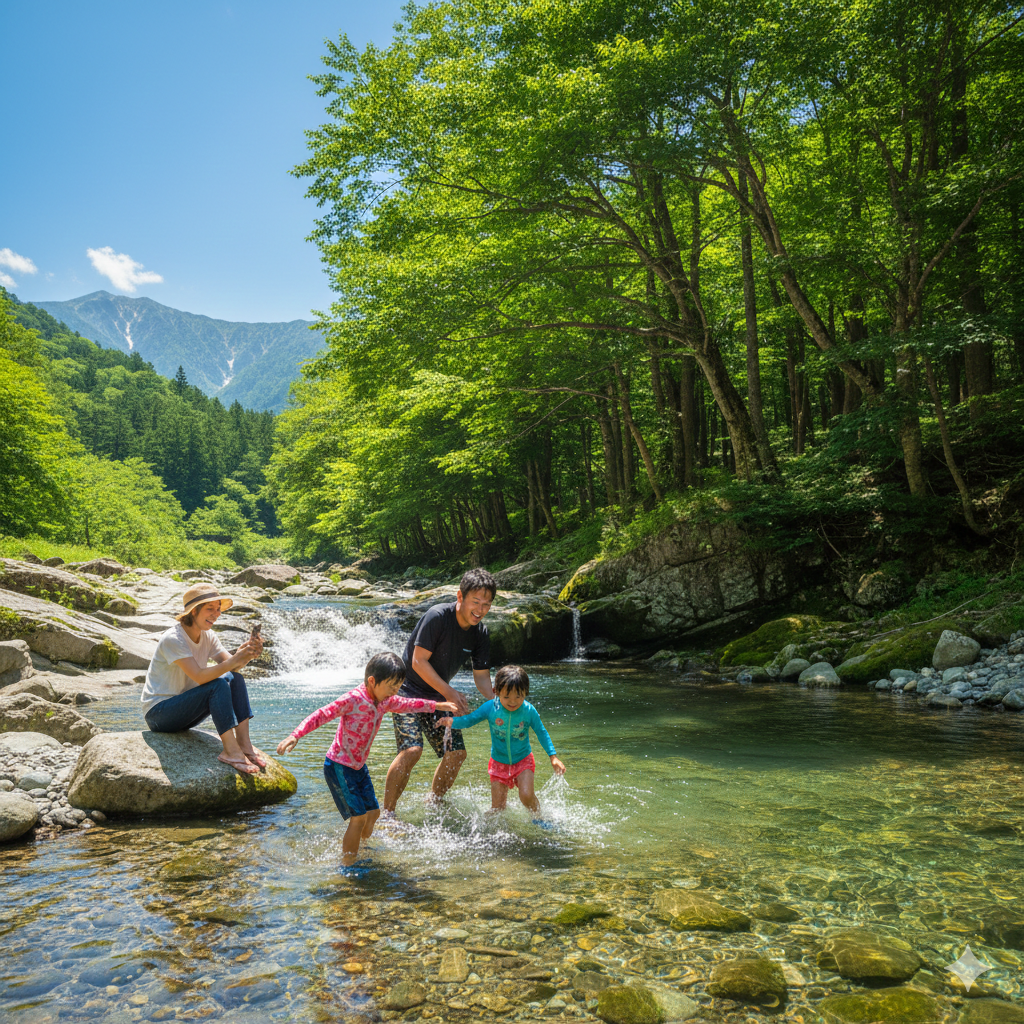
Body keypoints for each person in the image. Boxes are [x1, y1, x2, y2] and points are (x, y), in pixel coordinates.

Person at [276, 651, 457, 865]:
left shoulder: (384, 701)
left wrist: (438, 705)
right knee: (358, 818)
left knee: (373, 814)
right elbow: (321, 714)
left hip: (358, 767)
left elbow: (410, 704)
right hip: (339, 765)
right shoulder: (353, 699)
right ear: (372, 681)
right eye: (391, 686)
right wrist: (295, 735)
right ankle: (348, 865)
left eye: (397, 687)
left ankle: (357, 847)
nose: (394, 692)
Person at [382, 568, 497, 817]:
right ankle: (388, 815)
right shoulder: (437, 616)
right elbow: (418, 661)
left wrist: (501, 703)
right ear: (460, 596)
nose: (480, 609)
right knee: (412, 750)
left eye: (486, 604)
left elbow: (481, 678)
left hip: (437, 696)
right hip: (407, 692)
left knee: (456, 754)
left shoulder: (481, 634)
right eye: (475, 602)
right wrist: (451, 693)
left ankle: (433, 802)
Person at [141, 584, 266, 775]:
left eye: (218, 609)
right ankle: (231, 751)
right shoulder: (173, 639)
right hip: (159, 714)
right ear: (193, 611)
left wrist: (247, 654)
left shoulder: (208, 635)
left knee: (235, 678)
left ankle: (243, 744)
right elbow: (199, 676)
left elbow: (231, 667)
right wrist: (235, 659)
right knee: (217, 685)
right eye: (210, 609)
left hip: (184, 710)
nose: (216, 614)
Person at [438, 664, 565, 816]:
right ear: (496, 692)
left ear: (526, 692)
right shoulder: (491, 708)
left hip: (523, 760)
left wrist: (553, 757)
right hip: (498, 763)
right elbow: (471, 719)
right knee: (497, 809)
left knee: (526, 796)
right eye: (506, 697)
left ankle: (539, 818)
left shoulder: (529, 711)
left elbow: (541, 732)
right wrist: (452, 722)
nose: (513, 702)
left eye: (519, 696)